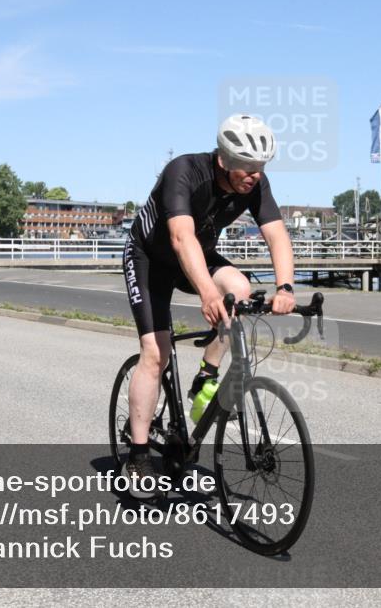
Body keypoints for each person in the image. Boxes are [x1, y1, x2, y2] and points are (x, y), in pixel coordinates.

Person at [121, 114, 296, 498]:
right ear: (223, 160)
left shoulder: (254, 183)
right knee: (156, 353)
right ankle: (136, 455)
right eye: (247, 168)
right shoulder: (183, 170)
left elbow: (276, 233)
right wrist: (206, 293)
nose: (254, 176)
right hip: (150, 258)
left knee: (239, 287)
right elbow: (181, 238)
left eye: (261, 168)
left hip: (197, 255)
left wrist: (285, 286)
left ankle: (207, 372)